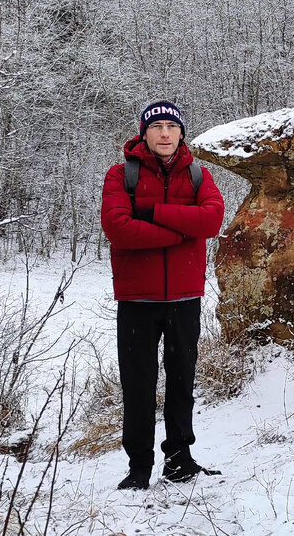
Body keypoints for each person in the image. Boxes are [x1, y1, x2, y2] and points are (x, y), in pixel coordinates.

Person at [100, 100, 225, 490]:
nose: (165, 133)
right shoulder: (121, 175)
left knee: (182, 383)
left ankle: (179, 461)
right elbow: (118, 228)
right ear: (144, 133)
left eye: (172, 126)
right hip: (137, 299)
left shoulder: (199, 175)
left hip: (185, 297)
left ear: (181, 133)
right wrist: (180, 233)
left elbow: (212, 220)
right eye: (157, 127)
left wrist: (152, 212)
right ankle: (139, 468)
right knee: (138, 385)